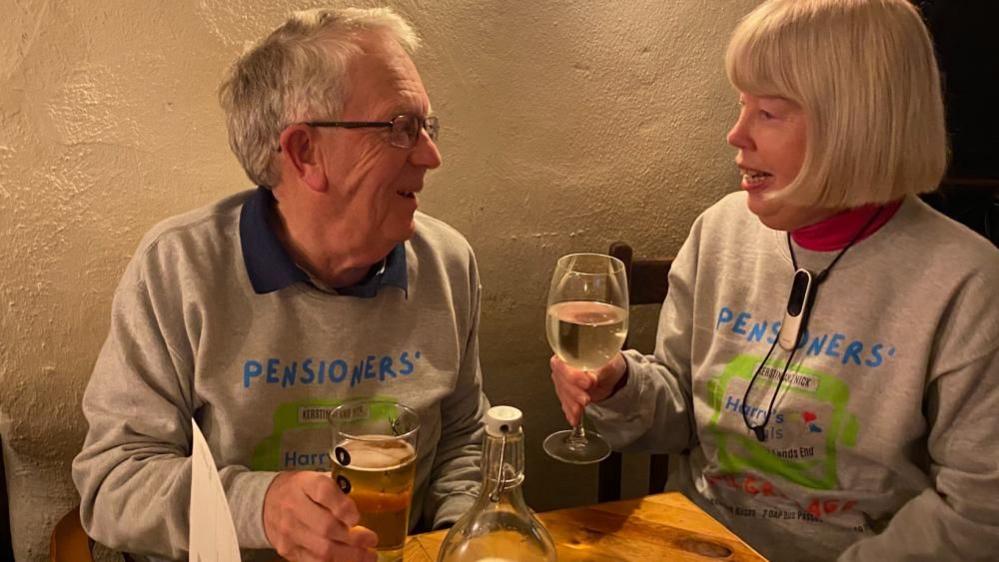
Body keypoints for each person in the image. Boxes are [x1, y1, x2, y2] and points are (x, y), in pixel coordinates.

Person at [550, 0, 999, 560]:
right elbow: (680, 414)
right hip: (699, 544)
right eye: (742, 106)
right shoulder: (718, 232)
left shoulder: (969, 283)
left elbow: (978, 513)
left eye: (770, 112)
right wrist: (619, 386)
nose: (736, 134)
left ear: (857, 124)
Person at [72, 7, 488, 562]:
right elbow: (112, 482)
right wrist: (258, 506)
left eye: (427, 126)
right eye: (400, 128)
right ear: (303, 153)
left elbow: (466, 439)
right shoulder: (179, 270)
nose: (431, 156)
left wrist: (459, 538)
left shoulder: (447, 263)